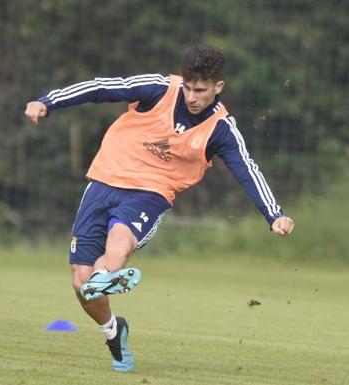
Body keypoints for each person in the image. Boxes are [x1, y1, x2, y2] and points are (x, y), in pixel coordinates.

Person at [25, 44, 294, 372]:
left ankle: (103, 275)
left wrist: (274, 213)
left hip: (151, 192)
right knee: (80, 285)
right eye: (188, 88)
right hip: (104, 180)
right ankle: (113, 329)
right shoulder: (158, 88)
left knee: (120, 239)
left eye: (201, 90)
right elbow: (101, 87)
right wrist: (47, 101)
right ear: (182, 80)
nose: (192, 97)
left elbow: (246, 168)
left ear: (217, 87)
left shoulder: (221, 129)